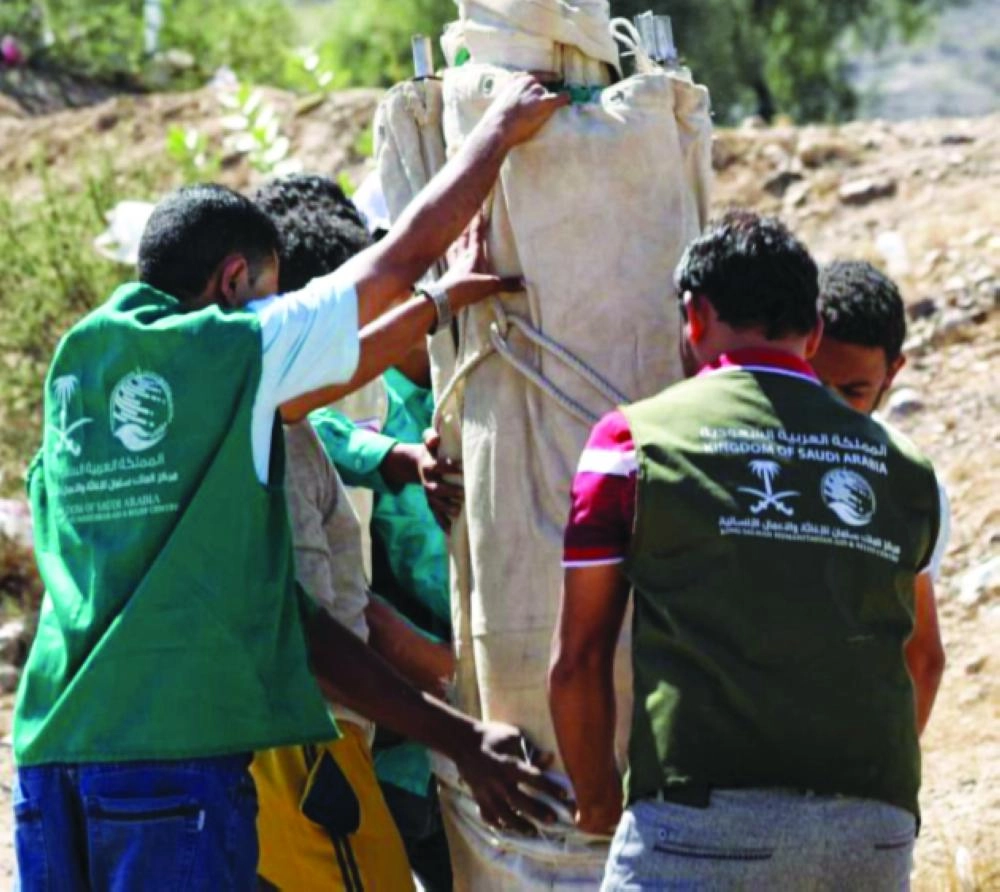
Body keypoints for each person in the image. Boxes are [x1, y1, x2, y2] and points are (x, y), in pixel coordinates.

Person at [13, 75, 568, 890]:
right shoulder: (226, 352)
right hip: (171, 770)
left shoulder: (81, 369)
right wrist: (502, 128)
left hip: (49, 755)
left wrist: (437, 307)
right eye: (270, 295)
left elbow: (287, 612)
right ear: (237, 281)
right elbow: (397, 255)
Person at [549, 211, 942, 890]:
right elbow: (921, 658)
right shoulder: (907, 470)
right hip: (873, 833)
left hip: (702, 827)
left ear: (695, 316)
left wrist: (597, 797)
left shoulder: (631, 445)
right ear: (813, 332)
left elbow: (580, 657)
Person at [248, 174, 458, 890]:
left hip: (396, 726)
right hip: (351, 739)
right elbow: (333, 612)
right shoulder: (273, 428)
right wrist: (450, 683)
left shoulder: (434, 389)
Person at [811, 259, 948, 735]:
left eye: (851, 391)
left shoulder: (907, 484)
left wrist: (887, 783)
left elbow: (922, 656)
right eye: (814, 382)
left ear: (892, 374)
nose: (828, 406)